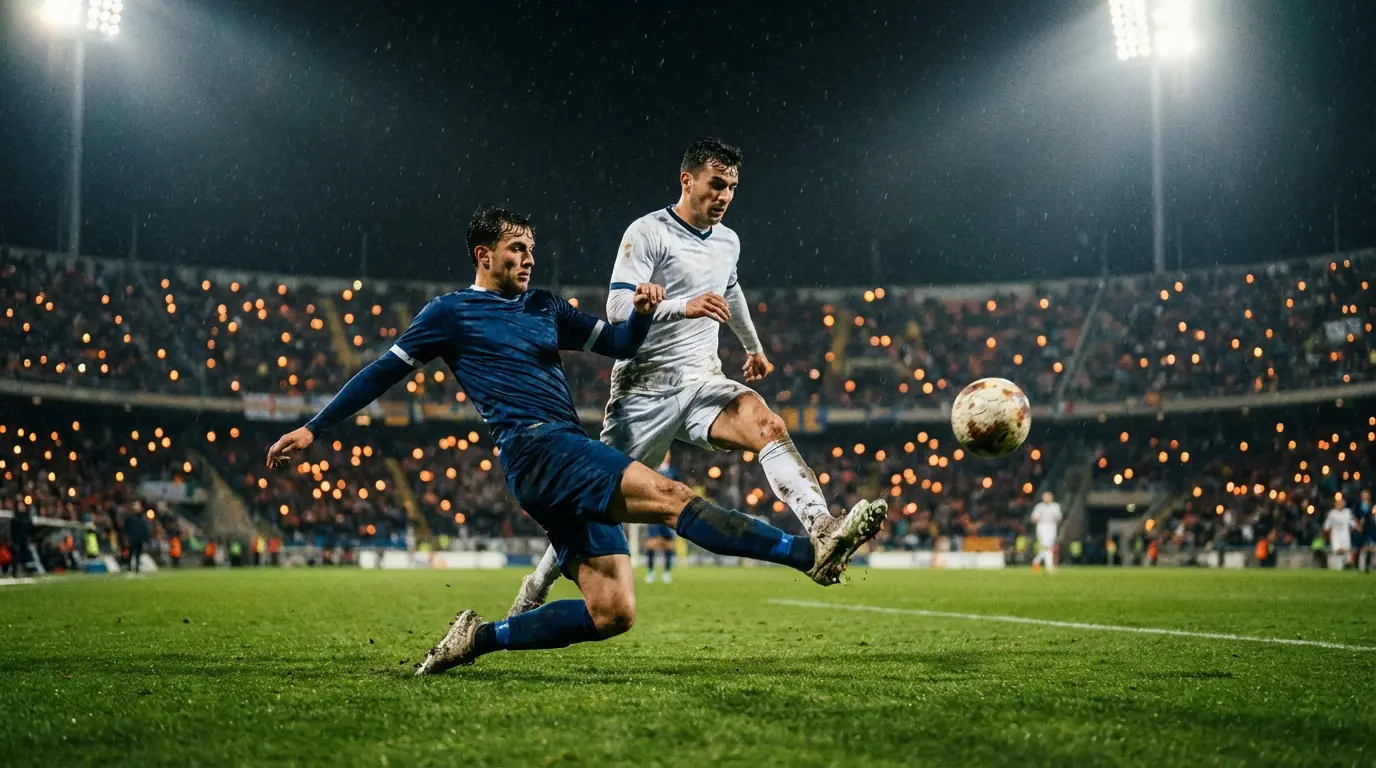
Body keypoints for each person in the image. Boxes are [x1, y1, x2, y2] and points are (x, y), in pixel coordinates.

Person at [264, 206, 886, 676]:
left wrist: (644, 311)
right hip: (537, 448)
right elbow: (382, 371)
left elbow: (617, 345)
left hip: (558, 453)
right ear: (483, 255)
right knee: (670, 496)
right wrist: (313, 427)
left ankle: (477, 638)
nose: (528, 258)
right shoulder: (449, 313)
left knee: (613, 613)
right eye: (515, 249)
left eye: (531, 248)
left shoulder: (544, 307)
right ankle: (810, 554)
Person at [507, 137, 879, 616]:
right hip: (643, 390)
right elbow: (617, 309)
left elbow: (732, 291)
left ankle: (822, 526)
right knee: (591, 507)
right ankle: (535, 587)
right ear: (688, 180)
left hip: (702, 379)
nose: (724, 195)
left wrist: (754, 347)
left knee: (768, 424)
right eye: (716, 184)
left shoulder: (729, 240)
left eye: (733, 187)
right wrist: (683, 306)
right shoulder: (647, 232)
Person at [644, 452, 681, 584]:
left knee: (668, 544)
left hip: (668, 511)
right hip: (654, 511)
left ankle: (666, 573)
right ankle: (650, 572)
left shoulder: (672, 472)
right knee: (651, 543)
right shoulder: (651, 470)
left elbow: (678, 490)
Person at [1029, 491, 1062, 573]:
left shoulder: (1055, 506)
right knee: (1046, 546)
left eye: (1048, 496)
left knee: (1049, 546)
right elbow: (1033, 518)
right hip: (1042, 526)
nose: (1046, 498)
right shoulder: (1039, 506)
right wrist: (1039, 519)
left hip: (1052, 526)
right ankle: (1049, 566)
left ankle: (1036, 561)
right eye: (1045, 497)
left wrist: (1056, 519)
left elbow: (1059, 518)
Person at [1323, 495, 1356, 571]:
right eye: (1338, 503)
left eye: (1341, 503)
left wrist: (1356, 527)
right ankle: (1342, 565)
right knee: (1338, 551)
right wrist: (1326, 534)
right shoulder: (1332, 513)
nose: (1339, 505)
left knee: (1346, 551)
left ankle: (1346, 565)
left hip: (1345, 535)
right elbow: (1327, 526)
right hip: (1336, 535)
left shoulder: (1347, 512)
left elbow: (1352, 523)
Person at [1355, 489, 1374, 574]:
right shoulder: (1358, 505)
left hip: (1370, 528)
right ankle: (1361, 567)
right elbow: (1354, 516)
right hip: (1360, 530)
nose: (1365, 496)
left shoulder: (1372, 505)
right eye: (1363, 494)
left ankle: (1370, 567)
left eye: (1366, 494)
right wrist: (1358, 525)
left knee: (1371, 548)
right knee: (1361, 548)